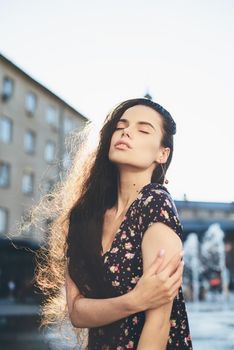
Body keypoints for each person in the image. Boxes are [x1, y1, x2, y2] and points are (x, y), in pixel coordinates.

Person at [64, 98, 193, 349]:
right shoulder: (83, 216)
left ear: (162, 153)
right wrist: (135, 300)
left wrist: (126, 303)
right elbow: (77, 313)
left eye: (143, 129)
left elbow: (158, 325)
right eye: (121, 125)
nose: (126, 131)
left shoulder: (155, 204)